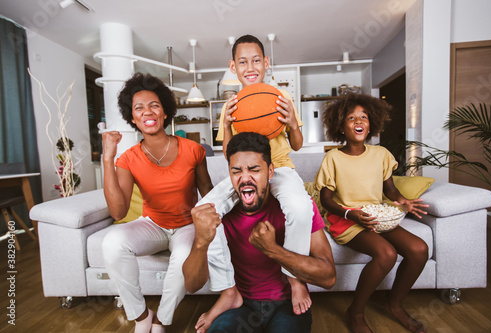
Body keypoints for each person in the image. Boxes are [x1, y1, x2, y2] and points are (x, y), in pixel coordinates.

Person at [194, 34, 315, 331]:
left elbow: (297, 144)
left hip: (281, 168)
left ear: (267, 63)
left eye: (256, 60)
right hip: (247, 174)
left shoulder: (281, 99)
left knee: (301, 208)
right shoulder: (231, 106)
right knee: (204, 210)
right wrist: (224, 125)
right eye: (243, 61)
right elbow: (228, 155)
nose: (251, 66)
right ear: (233, 67)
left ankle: (295, 280)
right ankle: (228, 291)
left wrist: (291, 123)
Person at [183, 132, 336, 333]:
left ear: (270, 172)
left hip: (287, 304)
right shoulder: (219, 213)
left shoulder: (297, 208)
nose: (245, 178)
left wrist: (272, 250)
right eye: (236, 171)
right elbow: (192, 285)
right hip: (240, 305)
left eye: (254, 169)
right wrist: (201, 242)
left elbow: (328, 277)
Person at [101, 72, 213, 333]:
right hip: (153, 225)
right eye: (138, 108)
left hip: (187, 225)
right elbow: (118, 212)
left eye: (154, 105)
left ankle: (162, 320)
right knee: (112, 242)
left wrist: (214, 231)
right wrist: (108, 159)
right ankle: (141, 316)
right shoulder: (127, 159)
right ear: (132, 118)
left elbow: (207, 193)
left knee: (185, 254)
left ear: (165, 113)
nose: (147, 112)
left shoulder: (193, 150)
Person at [314, 93, 429, 333]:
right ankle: (355, 312)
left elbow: (391, 190)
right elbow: (325, 200)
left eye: (363, 117)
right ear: (340, 126)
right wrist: (350, 214)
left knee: (419, 249)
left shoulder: (381, 154)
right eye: (351, 117)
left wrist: (403, 201)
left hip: (378, 216)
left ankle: (394, 304)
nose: (358, 121)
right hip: (348, 219)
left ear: (371, 123)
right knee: (386, 254)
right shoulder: (332, 158)